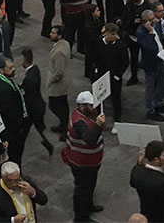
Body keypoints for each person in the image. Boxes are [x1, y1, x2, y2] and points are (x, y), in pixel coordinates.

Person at [63, 91, 106, 222]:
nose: (95, 108)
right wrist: (98, 125)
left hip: (90, 161)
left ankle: (88, 204)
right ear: (82, 106)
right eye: (91, 105)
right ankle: (81, 217)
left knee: (90, 185)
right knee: (82, 189)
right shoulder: (79, 121)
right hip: (81, 162)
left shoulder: (86, 114)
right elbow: (90, 140)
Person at [129, 140, 164, 221]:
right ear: (156, 159)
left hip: (145, 210)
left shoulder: (136, 170)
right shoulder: (163, 181)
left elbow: (132, 183)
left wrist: (139, 161)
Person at [48, 26, 71, 140]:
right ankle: (63, 125)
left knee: (54, 105)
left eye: (53, 33)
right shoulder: (65, 44)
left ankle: (66, 126)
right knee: (63, 104)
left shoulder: (59, 52)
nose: (50, 34)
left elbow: (59, 72)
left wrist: (50, 80)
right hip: (65, 81)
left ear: (59, 36)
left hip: (59, 84)